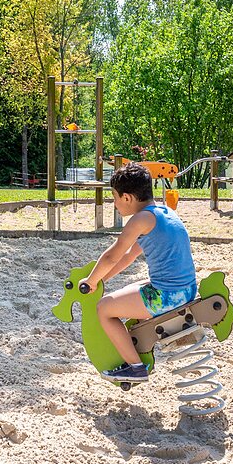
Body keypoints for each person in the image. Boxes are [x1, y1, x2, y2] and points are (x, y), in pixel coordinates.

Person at [81, 162, 198, 384]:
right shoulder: (164, 212)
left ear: (127, 198)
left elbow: (112, 255)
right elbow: (128, 257)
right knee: (125, 292)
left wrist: (90, 280)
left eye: (115, 197)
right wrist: (102, 280)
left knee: (104, 308)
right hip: (186, 289)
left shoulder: (140, 220)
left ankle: (135, 368)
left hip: (168, 297)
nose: (114, 204)